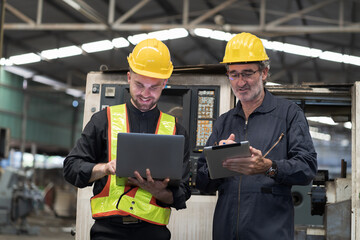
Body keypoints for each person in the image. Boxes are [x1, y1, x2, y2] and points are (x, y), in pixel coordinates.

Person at [63, 38, 191, 240]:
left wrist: (158, 191)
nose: (145, 94)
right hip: (107, 232)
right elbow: (71, 168)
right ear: (129, 77)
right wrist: (104, 168)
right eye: (139, 84)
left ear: (165, 83)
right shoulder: (102, 121)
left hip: (153, 233)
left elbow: (182, 193)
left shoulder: (176, 130)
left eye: (154, 87)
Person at [196, 32, 317, 239]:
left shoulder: (288, 114)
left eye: (247, 73)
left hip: (270, 233)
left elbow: (307, 168)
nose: (240, 82)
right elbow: (202, 182)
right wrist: (219, 164)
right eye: (234, 74)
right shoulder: (224, 122)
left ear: (264, 72)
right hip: (226, 232)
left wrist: (269, 167)